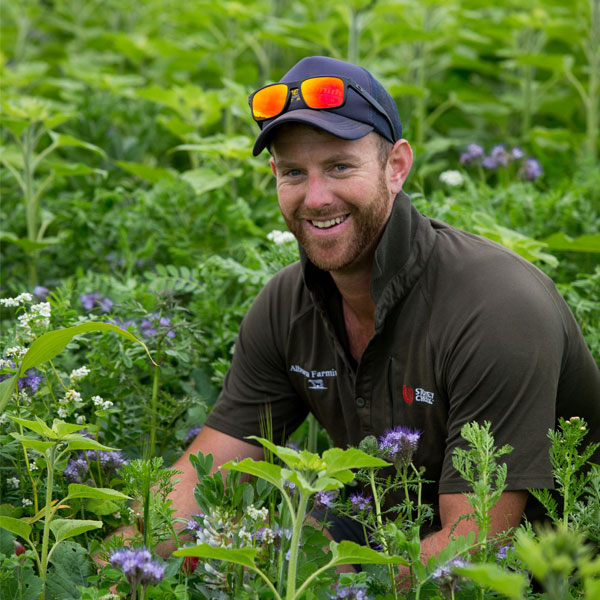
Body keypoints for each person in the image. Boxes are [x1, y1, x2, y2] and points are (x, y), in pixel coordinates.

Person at [151, 57, 600, 574]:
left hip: (547, 575)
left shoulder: (495, 306)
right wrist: (102, 562)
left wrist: (319, 583)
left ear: (396, 166)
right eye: (295, 172)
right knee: (298, 531)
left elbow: (476, 542)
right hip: (388, 533)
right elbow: (198, 486)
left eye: (341, 166)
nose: (317, 198)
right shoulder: (285, 305)